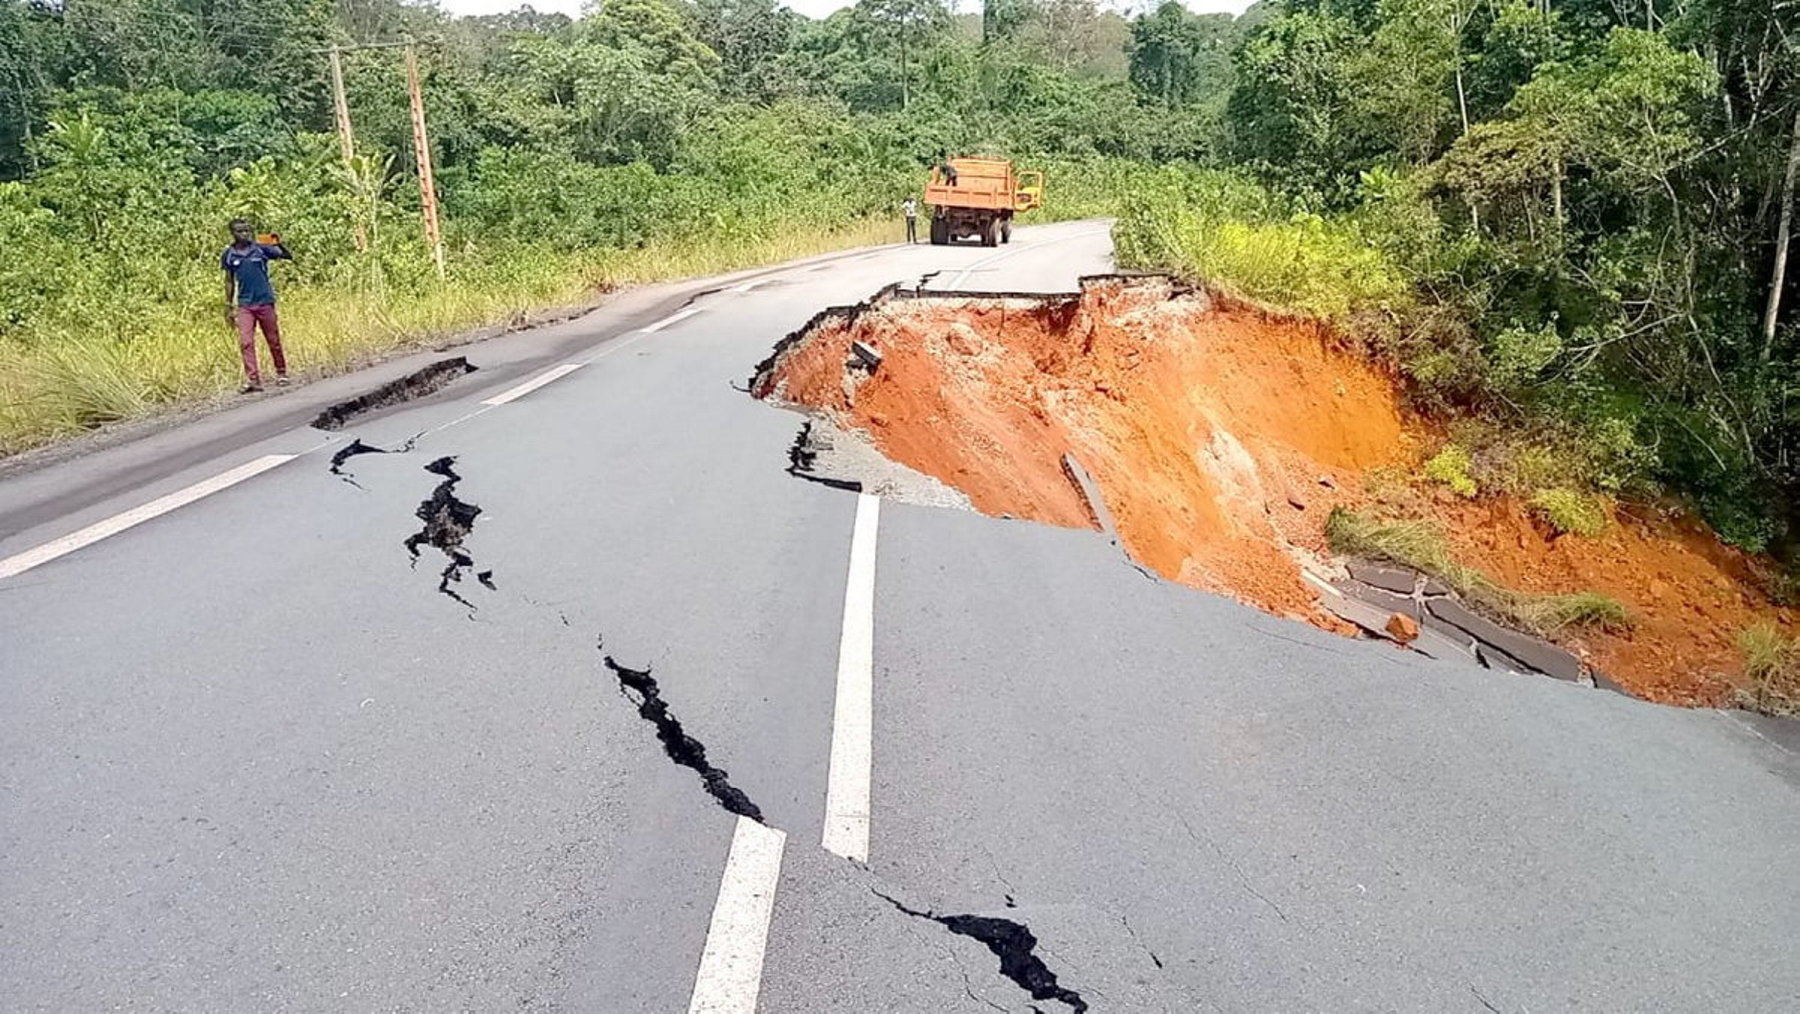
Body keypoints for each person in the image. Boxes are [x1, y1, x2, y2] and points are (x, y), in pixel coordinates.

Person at [221, 218, 292, 393]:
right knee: (245, 342)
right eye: (240, 231)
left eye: (247, 230)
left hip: (264, 301)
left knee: (273, 339)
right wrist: (228, 305)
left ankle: (281, 372)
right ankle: (253, 379)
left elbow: (286, 256)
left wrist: (277, 243)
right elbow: (229, 280)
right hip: (245, 304)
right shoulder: (229, 254)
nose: (244, 234)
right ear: (233, 233)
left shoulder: (260, 249)